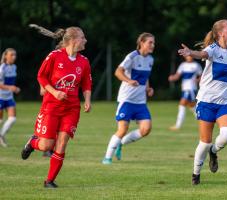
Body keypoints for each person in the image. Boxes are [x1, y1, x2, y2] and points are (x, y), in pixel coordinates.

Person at [178, 19, 227, 185]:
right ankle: (196, 174)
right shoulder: (213, 49)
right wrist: (190, 52)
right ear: (220, 33)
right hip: (206, 101)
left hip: (226, 101)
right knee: (204, 142)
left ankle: (214, 151)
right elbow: (202, 54)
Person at [21, 26, 92, 188]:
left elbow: (87, 83)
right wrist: (54, 92)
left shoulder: (84, 61)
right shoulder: (54, 56)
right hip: (51, 106)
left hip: (72, 108)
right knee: (47, 145)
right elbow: (41, 76)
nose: (85, 40)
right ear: (73, 40)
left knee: (62, 143)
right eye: (83, 37)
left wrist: (87, 99)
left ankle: (49, 181)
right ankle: (33, 143)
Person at [102, 32, 155, 165]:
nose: (153, 45)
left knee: (146, 129)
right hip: (126, 100)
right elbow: (118, 72)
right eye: (150, 42)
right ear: (141, 43)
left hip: (140, 101)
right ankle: (107, 158)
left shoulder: (150, 59)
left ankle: (121, 144)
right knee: (122, 129)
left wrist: (148, 88)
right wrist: (129, 80)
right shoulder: (132, 57)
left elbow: (145, 77)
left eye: (153, 43)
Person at [168, 55, 202, 131]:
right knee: (192, 105)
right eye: (187, 56)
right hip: (184, 88)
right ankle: (203, 120)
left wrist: (197, 80)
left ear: (193, 56)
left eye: (190, 56)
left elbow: (202, 76)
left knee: (182, 104)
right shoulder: (183, 65)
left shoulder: (196, 65)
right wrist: (172, 78)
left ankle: (178, 125)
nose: (189, 57)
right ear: (185, 57)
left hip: (191, 88)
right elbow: (177, 75)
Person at [0, 48, 20, 147]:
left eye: (15, 55)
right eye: (11, 55)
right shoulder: (2, 68)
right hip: (0, 96)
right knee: (0, 120)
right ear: (6, 56)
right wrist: (11, 87)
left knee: (12, 119)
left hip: (9, 97)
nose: (14, 57)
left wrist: (13, 89)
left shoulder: (14, 67)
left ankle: (1, 136)